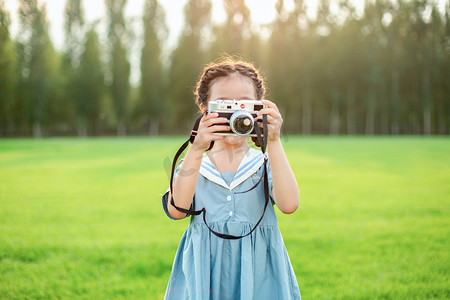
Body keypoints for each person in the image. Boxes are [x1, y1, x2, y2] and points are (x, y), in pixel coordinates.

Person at [162, 58, 301, 299]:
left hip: (258, 277)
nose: (236, 113)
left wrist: (274, 141)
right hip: (205, 276)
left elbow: (289, 205)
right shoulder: (194, 165)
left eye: (244, 106)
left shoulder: (266, 164)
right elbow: (177, 210)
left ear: (260, 110)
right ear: (206, 112)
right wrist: (196, 148)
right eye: (225, 106)